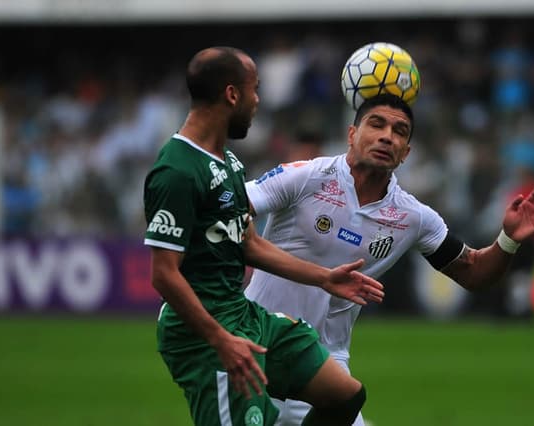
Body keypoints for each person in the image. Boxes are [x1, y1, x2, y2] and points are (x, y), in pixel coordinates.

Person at [244, 93, 534, 425]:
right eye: (376, 124)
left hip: (326, 363)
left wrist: (508, 239)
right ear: (352, 134)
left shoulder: (412, 217)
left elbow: (474, 272)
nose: (386, 136)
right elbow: (233, 207)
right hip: (256, 343)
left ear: (405, 153)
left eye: (399, 131)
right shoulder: (305, 177)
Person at [143, 46, 386, 426]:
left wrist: (323, 278)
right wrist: (220, 339)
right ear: (231, 94)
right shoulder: (177, 170)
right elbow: (163, 273)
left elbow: (249, 244)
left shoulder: (228, 160)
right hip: (204, 337)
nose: (259, 101)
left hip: (244, 317)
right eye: (255, 89)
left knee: (346, 395)